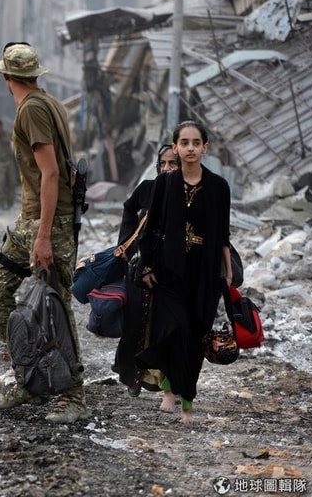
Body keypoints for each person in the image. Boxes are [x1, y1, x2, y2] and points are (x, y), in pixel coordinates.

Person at [0, 42, 87, 424]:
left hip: (48, 225)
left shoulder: (32, 110)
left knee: (56, 307)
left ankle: (72, 394)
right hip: (31, 221)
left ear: (7, 78)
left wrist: (43, 236)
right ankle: (30, 378)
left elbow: (51, 173)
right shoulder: (48, 103)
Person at [135, 120, 233, 424]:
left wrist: (228, 272)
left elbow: (223, 233)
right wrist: (147, 265)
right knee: (175, 330)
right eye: (184, 143)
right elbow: (151, 228)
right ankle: (172, 393)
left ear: (205, 147)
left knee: (195, 336)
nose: (190, 148)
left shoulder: (219, 187)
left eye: (196, 143)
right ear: (175, 148)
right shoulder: (164, 184)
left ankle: (185, 398)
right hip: (169, 271)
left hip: (204, 273)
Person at [111, 144, 178, 397]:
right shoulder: (147, 188)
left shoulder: (188, 193)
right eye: (163, 164)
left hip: (170, 272)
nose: (167, 168)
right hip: (139, 268)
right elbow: (129, 209)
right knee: (134, 325)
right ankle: (132, 377)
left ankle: (166, 382)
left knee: (166, 327)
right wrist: (126, 245)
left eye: (173, 163)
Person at [0, 119, 18, 210]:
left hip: (9, 160)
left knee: (11, 182)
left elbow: (13, 143)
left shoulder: (7, 134)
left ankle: (10, 203)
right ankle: (1, 204)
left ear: (1, 127)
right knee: (1, 183)